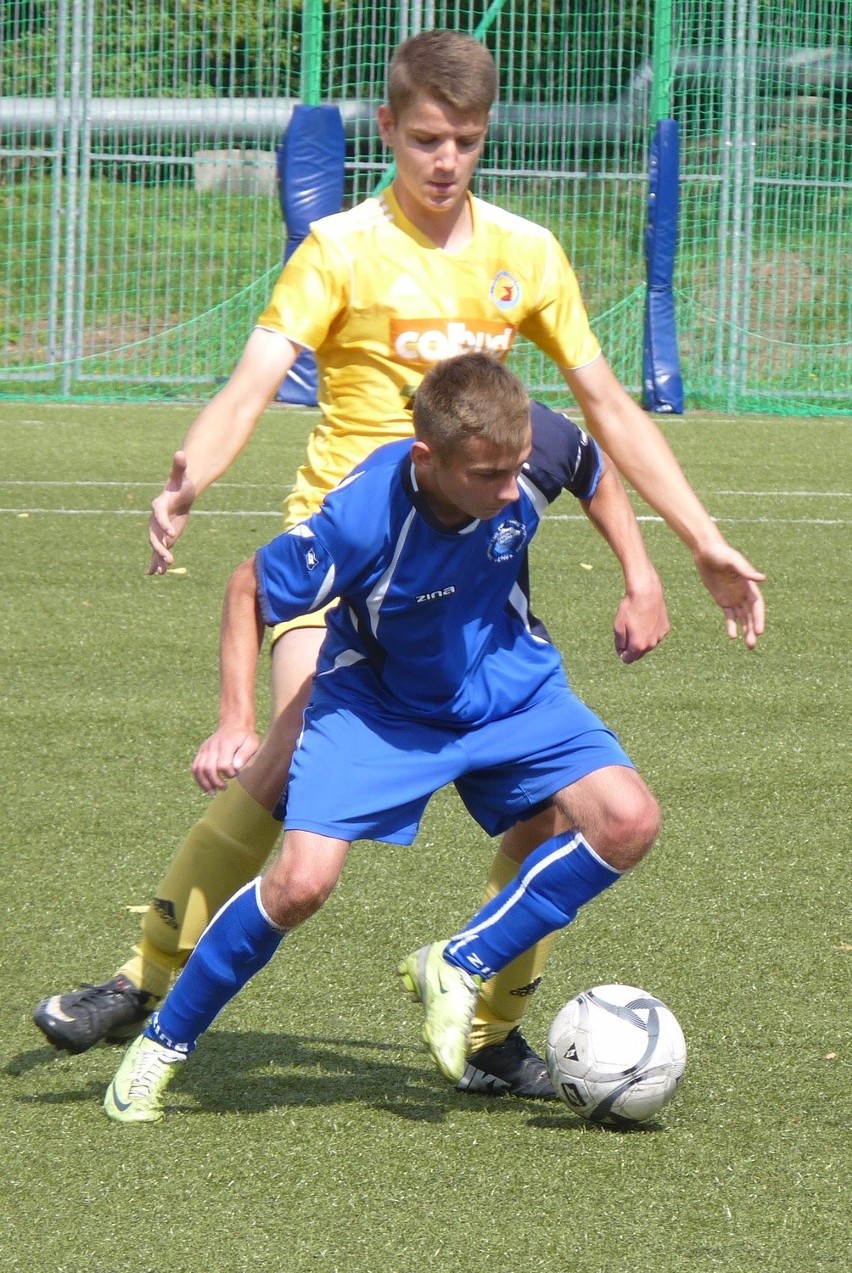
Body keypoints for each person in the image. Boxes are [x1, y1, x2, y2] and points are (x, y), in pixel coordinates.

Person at [35, 30, 764, 1100]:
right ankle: (143, 978)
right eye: (426, 137)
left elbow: (602, 410)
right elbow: (255, 378)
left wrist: (695, 540)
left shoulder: (527, 252)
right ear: (385, 129)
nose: (445, 161)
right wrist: (191, 472)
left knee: (546, 815)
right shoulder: (339, 248)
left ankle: (492, 1029)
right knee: (281, 773)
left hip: (464, 568)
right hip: (343, 568)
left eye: (465, 141)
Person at [104, 353, 671, 1123]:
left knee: (629, 819)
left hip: (510, 685)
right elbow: (248, 586)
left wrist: (642, 578)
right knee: (301, 882)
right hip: (378, 705)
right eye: (487, 476)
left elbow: (591, 467)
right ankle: (162, 1045)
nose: (510, 490)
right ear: (426, 459)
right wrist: (236, 719)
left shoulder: (523, 446)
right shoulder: (363, 518)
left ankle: (459, 964)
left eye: (515, 470)